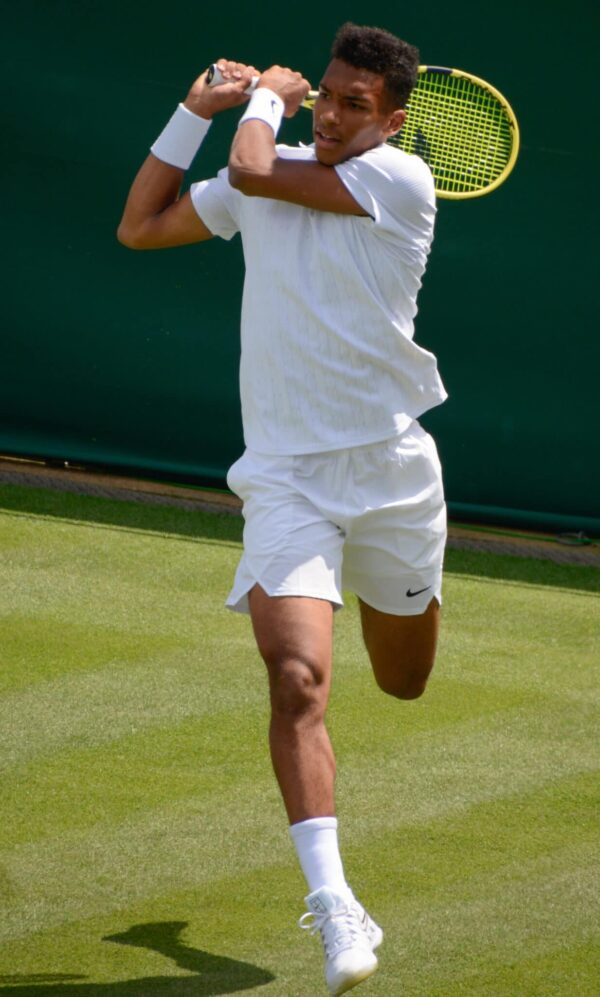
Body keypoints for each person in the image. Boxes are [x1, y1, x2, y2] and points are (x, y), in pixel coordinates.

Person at [118, 22, 447, 996]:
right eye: (330, 95)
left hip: (392, 480)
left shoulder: (401, 183)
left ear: (392, 120)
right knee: (298, 678)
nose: (337, 113)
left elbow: (257, 171)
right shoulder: (276, 165)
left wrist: (263, 98)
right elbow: (142, 225)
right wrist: (193, 112)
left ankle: (416, 598)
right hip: (287, 478)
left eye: (357, 104)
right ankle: (335, 901)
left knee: (403, 683)